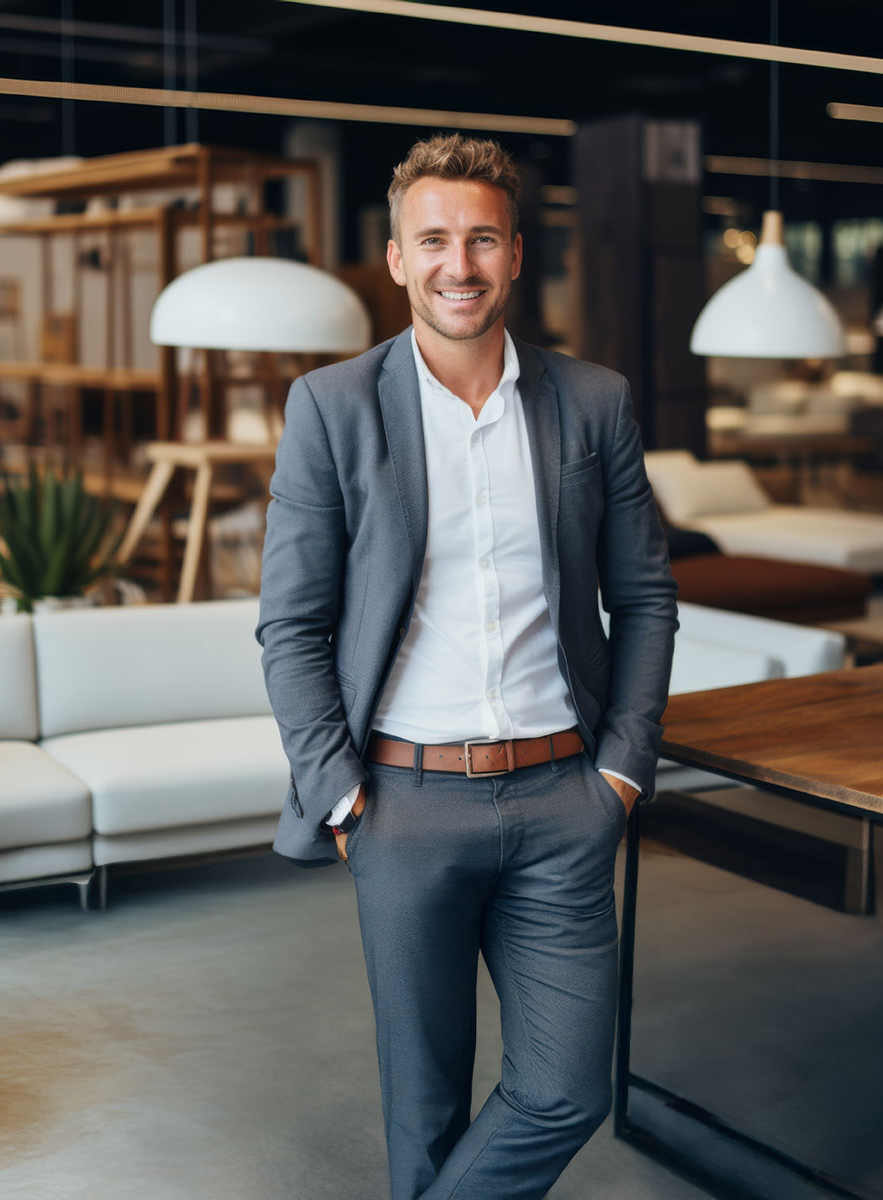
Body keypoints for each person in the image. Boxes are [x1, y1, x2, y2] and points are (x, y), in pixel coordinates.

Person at [256, 133, 677, 1200]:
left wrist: (620, 774)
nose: (460, 263)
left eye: (482, 238)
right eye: (433, 239)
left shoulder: (594, 403)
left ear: (518, 253)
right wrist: (343, 799)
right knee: (425, 1103)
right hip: (400, 805)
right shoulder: (333, 408)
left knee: (568, 1089)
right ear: (396, 258)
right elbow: (291, 626)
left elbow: (644, 599)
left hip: (563, 799)